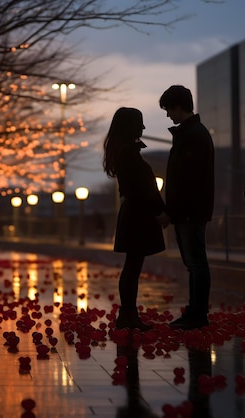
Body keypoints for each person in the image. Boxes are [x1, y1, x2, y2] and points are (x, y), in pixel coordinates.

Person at [103, 107, 169, 331]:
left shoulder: (124, 152)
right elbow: (145, 189)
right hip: (138, 215)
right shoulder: (129, 153)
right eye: (139, 123)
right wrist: (161, 210)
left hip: (135, 214)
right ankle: (128, 316)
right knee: (133, 266)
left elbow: (144, 188)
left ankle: (128, 315)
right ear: (130, 126)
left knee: (132, 266)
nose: (143, 128)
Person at [159, 85, 215, 330]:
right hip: (190, 210)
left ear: (178, 107)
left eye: (169, 110)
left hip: (190, 211)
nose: (168, 115)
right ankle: (195, 311)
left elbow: (187, 180)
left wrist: (172, 211)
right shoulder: (193, 134)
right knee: (195, 263)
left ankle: (197, 313)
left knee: (196, 263)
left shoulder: (192, 136)